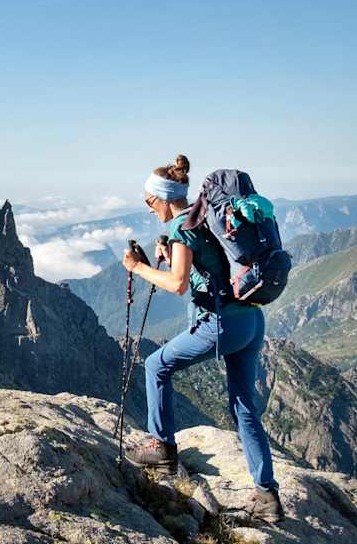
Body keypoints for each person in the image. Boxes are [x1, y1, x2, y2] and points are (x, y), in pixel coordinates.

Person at [121, 155, 283, 523]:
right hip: (251, 319)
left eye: (149, 201)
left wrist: (138, 267)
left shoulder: (183, 228)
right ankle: (267, 497)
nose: (149, 210)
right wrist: (174, 256)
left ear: (162, 199)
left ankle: (161, 447)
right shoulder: (205, 217)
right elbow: (210, 266)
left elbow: (177, 284)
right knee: (245, 408)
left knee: (155, 365)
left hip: (221, 324)